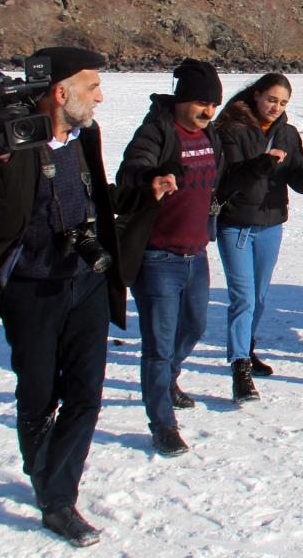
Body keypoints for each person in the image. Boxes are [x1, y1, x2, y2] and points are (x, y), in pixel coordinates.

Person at [0, 47, 122, 547]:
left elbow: (96, 193)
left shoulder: (86, 135)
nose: (100, 96)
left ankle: (57, 499)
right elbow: (4, 221)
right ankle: (42, 468)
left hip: (87, 281)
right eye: (92, 86)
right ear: (61, 93)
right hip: (32, 290)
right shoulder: (19, 144)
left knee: (85, 396)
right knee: (38, 396)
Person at [115, 58, 224, 457]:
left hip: (197, 251)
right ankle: (162, 424)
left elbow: (220, 182)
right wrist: (151, 179)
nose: (208, 111)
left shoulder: (211, 135)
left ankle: (167, 380)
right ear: (181, 99)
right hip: (158, 256)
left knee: (194, 327)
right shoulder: (158, 130)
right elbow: (131, 170)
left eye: (213, 104)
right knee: (158, 346)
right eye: (200, 102)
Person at [214, 73, 303, 401]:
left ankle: (246, 349)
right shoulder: (232, 131)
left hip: (271, 223)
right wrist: (263, 164)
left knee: (260, 297)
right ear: (256, 95)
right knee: (244, 298)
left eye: (282, 103)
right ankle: (239, 368)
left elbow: (298, 178)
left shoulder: (287, 134)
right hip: (237, 224)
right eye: (270, 100)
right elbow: (231, 178)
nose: (275, 107)